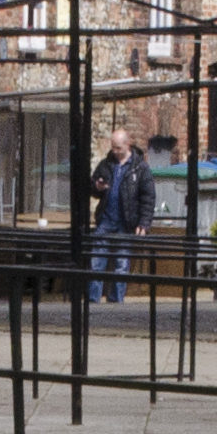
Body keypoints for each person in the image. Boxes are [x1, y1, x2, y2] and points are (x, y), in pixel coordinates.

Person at [93, 124, 149, 301]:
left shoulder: (140, 168)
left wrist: (144, 222)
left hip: (126, 222)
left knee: (121, 264)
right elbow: (93, 186)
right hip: (107, 219)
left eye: (118, 147)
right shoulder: (106, 164)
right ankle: (93, 300)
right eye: (113, 147)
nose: (115, 151)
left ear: (128, 145)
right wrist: (97, 186)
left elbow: (148, 197)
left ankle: (116, 301)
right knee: (96, 262)